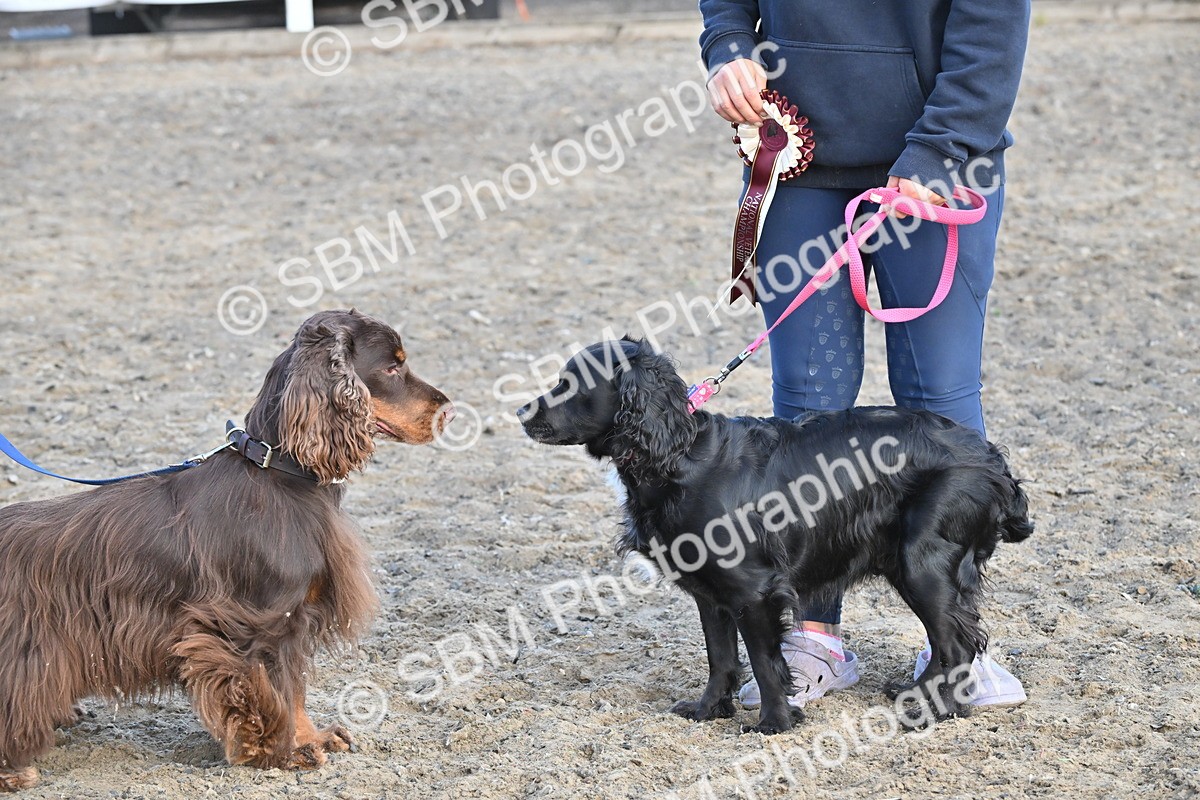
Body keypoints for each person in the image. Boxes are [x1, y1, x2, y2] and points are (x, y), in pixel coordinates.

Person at [698, 0, 1031, 709]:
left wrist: (941, 147)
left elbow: (992, 25)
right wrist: (728, 46)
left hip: (943, 162)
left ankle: (958, 646)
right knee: (807, 412)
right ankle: (814, 636)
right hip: (800, 156)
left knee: (937, 400)